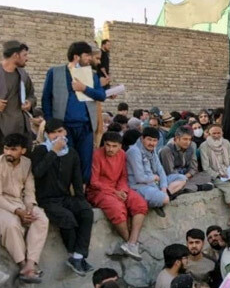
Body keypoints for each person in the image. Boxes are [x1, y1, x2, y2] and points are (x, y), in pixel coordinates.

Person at [32, 118, 94, 276]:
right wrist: (53, 151)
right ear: (47, 135)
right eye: (53, 133)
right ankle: (73, 255)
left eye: (60, 131)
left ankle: (79, 256)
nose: (58, 135)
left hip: (64, 197)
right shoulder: (41, 151)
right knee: (66, 217)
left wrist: (81, 199)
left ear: (65, 132)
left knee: (86, 212)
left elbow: (77, 179)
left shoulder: (71, 152)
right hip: (46, 199)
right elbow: (38, 172)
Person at [42, 41, 107, 184]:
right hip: (63, 128)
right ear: (76, 57)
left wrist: (84, 88)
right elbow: (46, 98)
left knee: (85, 162)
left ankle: (82, 193)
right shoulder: (55, 72)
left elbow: (101, 96)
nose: (90, 59)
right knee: (65, 161)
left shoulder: (92, 75)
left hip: (85, 127)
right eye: (87, 55)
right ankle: (65, 194)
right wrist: (50, 123)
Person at [88, 132, 147, 260]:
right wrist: (115, 192)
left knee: (139, 203)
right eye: (108, 145)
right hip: (99, 191)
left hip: (118, 188)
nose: (110, 149)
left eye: (114, 146)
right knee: (116, 208)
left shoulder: (122, 155)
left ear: (120, 146)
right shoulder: (96, 155)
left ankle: (132, 242)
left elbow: (123, 176)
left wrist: (123, 191)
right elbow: (94, 182)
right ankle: (130, 242)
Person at [0, 133, 49, 283]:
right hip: (3, 203)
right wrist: (18, 212)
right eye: (6, 149)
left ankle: (30, 264)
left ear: (23, 151)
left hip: (20, 202)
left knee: (41, 219)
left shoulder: (27, 163)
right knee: (11, 224)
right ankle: (23, 265)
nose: (8, 152)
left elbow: (29, 190)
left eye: (13, 149)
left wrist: (29, 207)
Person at [200, 124, 230, 225]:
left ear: (222, 133)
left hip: (228, 172)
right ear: (209, 134)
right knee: (229, 188)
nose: (216, 135)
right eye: (214, 133)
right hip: (214, 175)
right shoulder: (204, 146)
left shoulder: (226, 143)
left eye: (218, 133)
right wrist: (218, 174)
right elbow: (206, 167)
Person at [126, 127, 178, 217]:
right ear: (142, 139)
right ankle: (155, 201)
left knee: (181, 178)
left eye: (154, 141)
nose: (152, 143)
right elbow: (140, 178)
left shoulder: (152, 150)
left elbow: (160, 170)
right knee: (165, 199)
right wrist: (154, 177)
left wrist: (164, 188)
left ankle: (160, 195)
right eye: (149, 140)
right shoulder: (134, 152)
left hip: (153, 183)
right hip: (139, 186)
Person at [0, 41, 36, 146]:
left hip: (20, 129)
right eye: (24, 55)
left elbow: (31, 95)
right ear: (16, 55)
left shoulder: (23, 75)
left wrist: (29, 103)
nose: (27, 58)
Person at [160, 125, 212, 194]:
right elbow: (170, 172)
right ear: (176, 139)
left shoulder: (191, 146)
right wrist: (183, 178)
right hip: (173, 177)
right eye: (185, 139)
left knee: (206, 175)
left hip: (186, 175)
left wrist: (187, 175)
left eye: (189, 139)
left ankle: (187, 187)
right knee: (177, 182)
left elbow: (194, 167)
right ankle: (197, 187)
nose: (188, 142)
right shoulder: (167, 150)